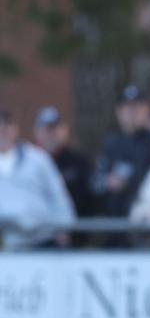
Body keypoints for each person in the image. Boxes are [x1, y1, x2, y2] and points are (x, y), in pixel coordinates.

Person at [93, 84, 150, 247]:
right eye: (127, 108)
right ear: (119, 112)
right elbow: (95, 182)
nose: (132, 112)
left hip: (145, 227)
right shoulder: (111, 143)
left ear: (147, 110)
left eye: (137, 107)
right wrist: (108, 182)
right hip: (114, 224)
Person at [0, 109, 76, 250]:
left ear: (15, 130)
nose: (2, 133)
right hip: (7, 246)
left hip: (42, 241)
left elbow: (58, 195)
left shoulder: (38, 158)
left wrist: (64, 228)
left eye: (6, 128)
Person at [32, 106, 94, 247]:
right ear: (37, 132)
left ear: (65, 131)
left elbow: (89, 203)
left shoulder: (79, 162)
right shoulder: (29, 164)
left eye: (55, 129)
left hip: (73, 240)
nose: (51, 134)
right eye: (47, 130)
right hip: (34, 239)